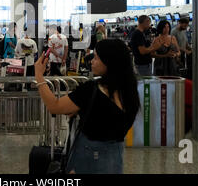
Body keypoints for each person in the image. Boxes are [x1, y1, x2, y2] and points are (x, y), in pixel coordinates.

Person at [34, 39, 140, 174]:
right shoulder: (130, 92)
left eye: (96, 58)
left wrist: (39, 75)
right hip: (114, 160)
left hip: (88, 159)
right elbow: (106, 117)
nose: (91, 61)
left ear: (109, 62)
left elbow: (54, 106)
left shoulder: (91, 90)